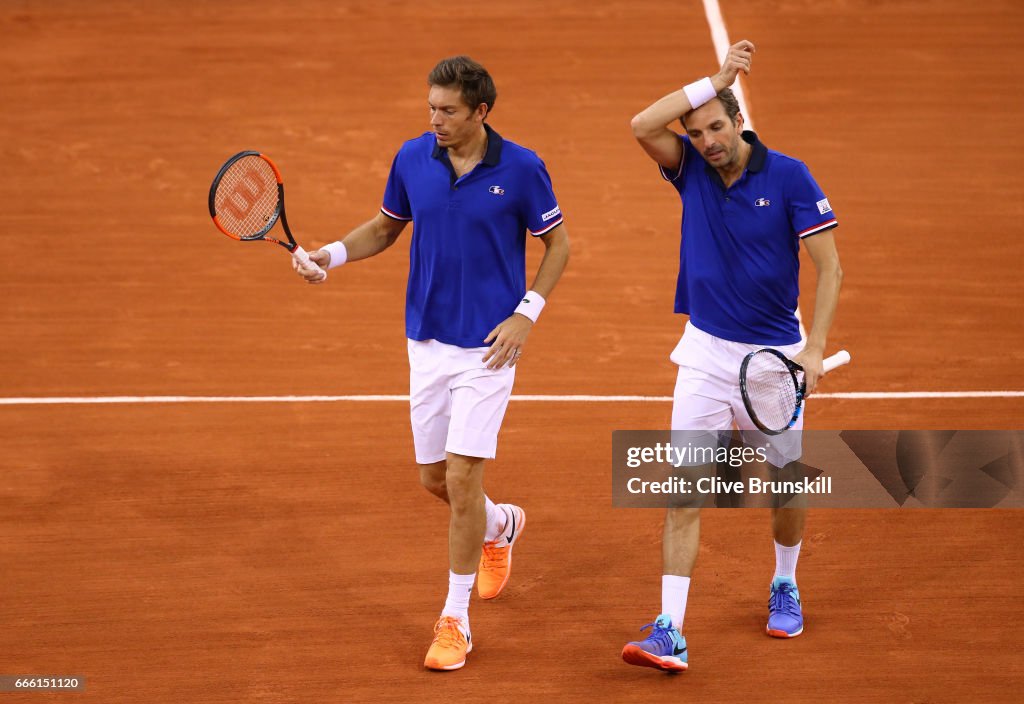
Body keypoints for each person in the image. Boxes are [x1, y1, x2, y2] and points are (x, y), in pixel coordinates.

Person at [294, 56, 569, 672]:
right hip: (426, 341)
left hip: (488, 350)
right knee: (435, 482)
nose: (435, 120)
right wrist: (330, 255)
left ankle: (455, 619)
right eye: (431, 108)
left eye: (448, 111)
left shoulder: (522, 169)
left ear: (481, 112)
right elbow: (387, 228)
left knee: (464, 478)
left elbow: (559, 244)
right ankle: (501, 527)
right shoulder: (412, 157)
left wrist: (527, 313)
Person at [622, 39, 843, 672]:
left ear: (739, 122)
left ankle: (785, 580)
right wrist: (711, 80)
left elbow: (830, 270)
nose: (707, 140)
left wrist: (814, 350)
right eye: (695, 132)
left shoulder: (791, 176)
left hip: (774, 361)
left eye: (716, 126)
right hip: (705, 354)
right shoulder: (688, 168)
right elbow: (641, 125)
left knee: (784, 487)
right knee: (685, 492)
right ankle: (671, 628)